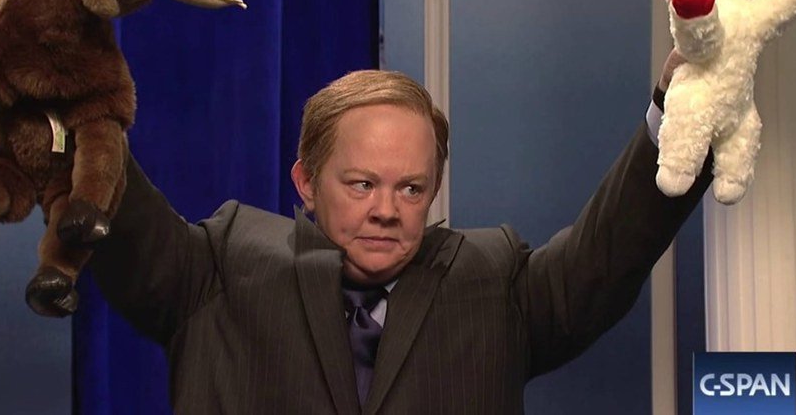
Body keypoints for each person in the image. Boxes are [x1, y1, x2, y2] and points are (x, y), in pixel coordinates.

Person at [80, 65, 710, 414]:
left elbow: (609, 253)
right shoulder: (219, 268)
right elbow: (124, 214)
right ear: (306, 182)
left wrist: (677, 114)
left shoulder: (493, 280)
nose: (386, 211)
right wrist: (74, 98)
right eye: (361, 184)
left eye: (411, 188)